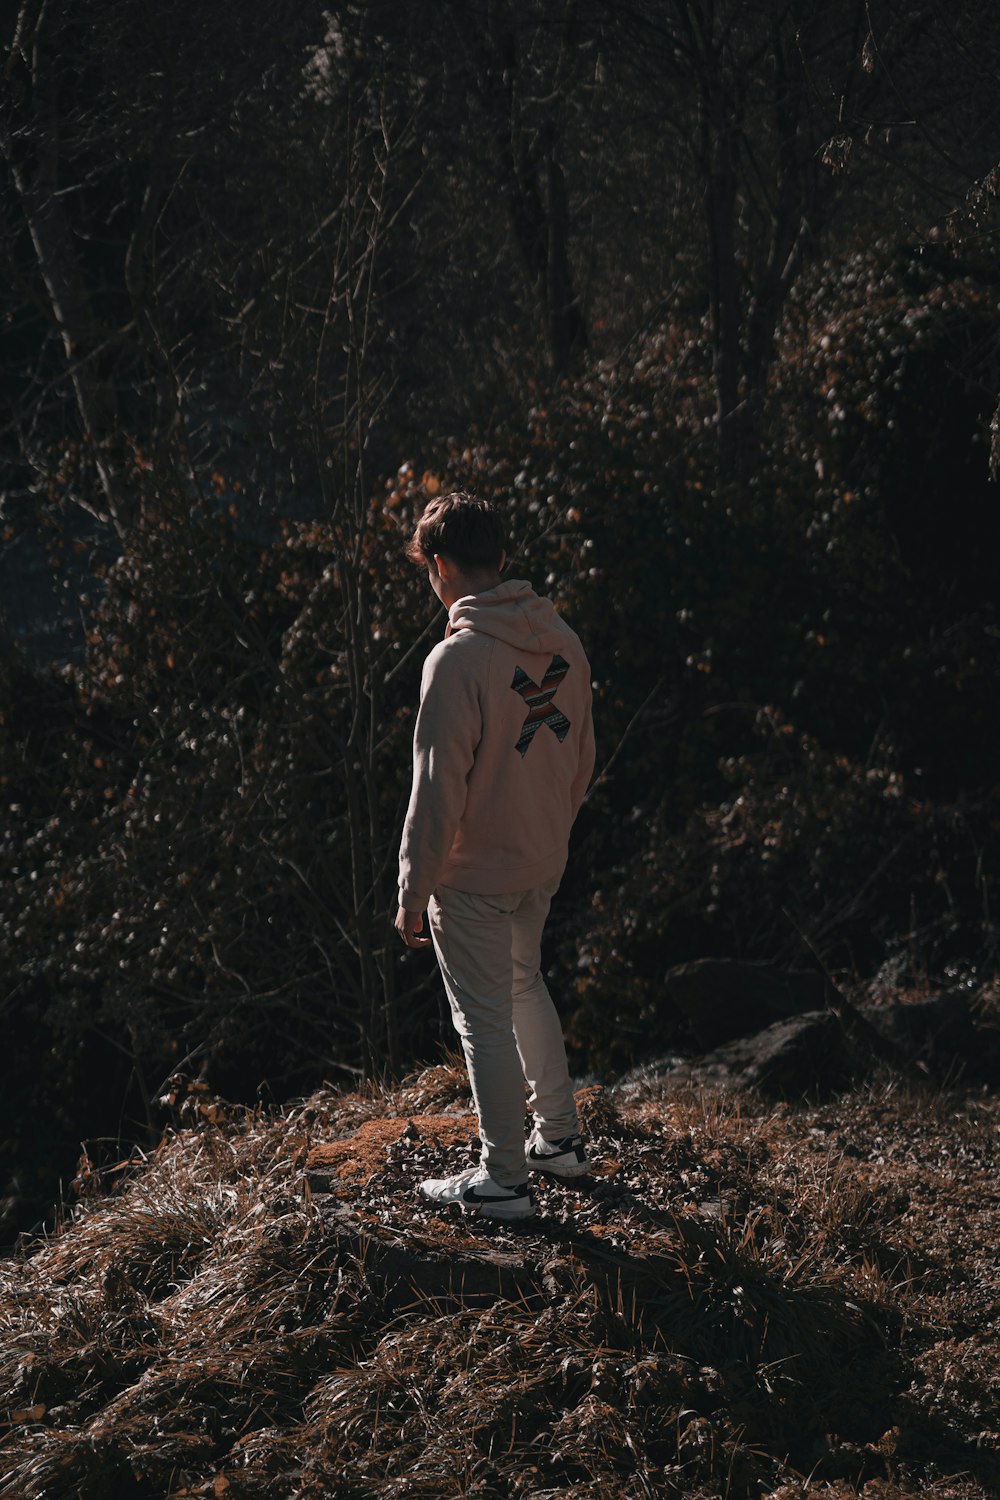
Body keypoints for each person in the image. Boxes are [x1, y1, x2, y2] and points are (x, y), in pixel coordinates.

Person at [395, 491, 595, 1220]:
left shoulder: (456, 662)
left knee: (482, 1017)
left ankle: (505, 1178)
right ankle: (559, 1142)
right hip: (540, 859)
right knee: (522, 985)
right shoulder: (562, 640)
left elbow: (435, 791)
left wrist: (413, 888)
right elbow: (582, 760)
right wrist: (549, 833)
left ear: (441, 566)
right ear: (502, 559)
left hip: (474, 874)